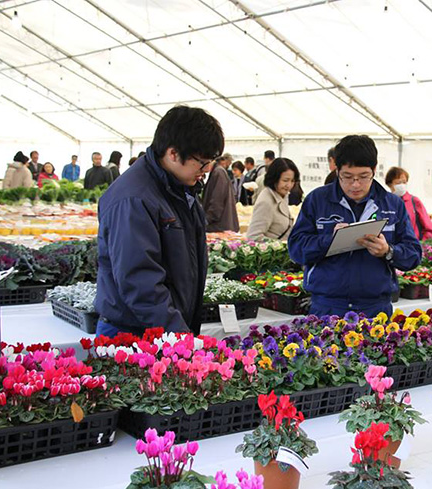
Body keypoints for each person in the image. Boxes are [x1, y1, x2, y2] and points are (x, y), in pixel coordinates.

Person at [95, 105, 223, 337]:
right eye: (202, 162)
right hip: (134, 333)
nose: (206, 170)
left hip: (163, 328)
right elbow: (140, 282)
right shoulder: (133, 199)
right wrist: (180, 336)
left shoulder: (179, 187)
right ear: (173, 154)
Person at [288, 135, 422, 318]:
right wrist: (330, 240)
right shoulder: (317, 200)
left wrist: (388, 251)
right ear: (336, 170)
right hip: (327, 306)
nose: (355, 184)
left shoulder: (392, 204)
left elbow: (413, 254)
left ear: (374, 170)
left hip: (375, 308)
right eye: (347, 177)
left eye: (363, 177)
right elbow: (296, 249)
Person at [247, 158, 298, 241]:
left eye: (292, 181)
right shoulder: (266, 201)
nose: (289, 185)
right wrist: (278, 246)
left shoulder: (282, 195)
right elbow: (253, 236)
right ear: (274, 178)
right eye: (285, 180)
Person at [385, 166, 432, 241]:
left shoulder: (414, 201)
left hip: (412, 247)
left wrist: (421, 244)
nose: (402, 185)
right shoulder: (386, 202)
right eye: (398, 183)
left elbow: (429, 229)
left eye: (404, 182)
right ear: (390, 184)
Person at [202, 154, 239, 232]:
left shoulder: (218, 172)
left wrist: (205, 220)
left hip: (220, 227)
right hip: (220, 226)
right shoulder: (217, 172)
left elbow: (217, 202)